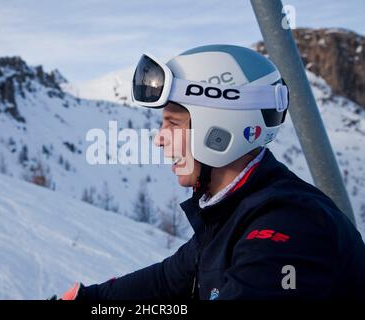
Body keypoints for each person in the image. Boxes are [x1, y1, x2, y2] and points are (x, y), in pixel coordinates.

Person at [58, 45, 365, 300]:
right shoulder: (231, 212)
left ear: (219, 130)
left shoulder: (287, 227)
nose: (159, 138)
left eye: (173, 124)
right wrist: (90, 301)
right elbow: (166, 283)